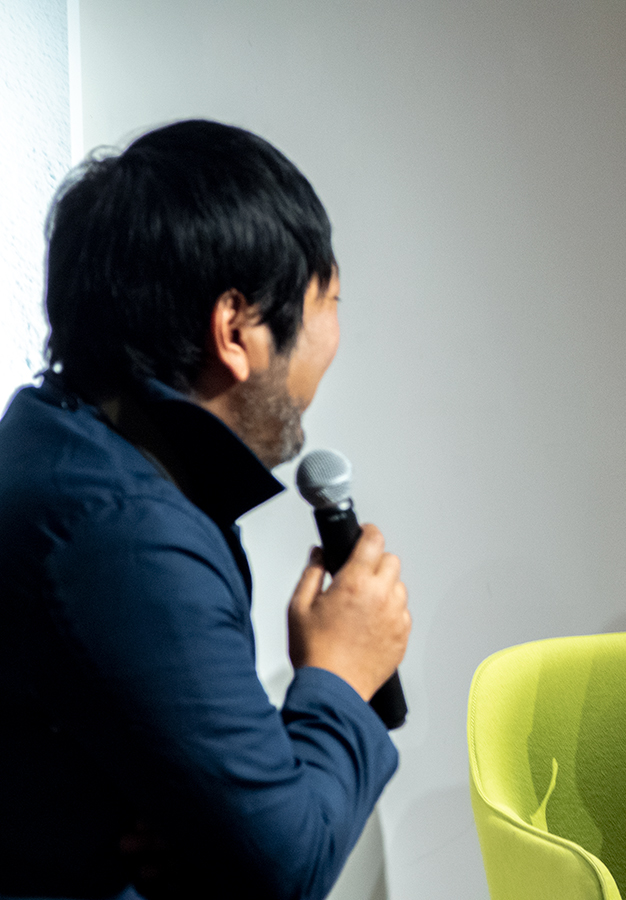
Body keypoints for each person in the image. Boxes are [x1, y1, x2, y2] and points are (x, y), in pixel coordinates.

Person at [0, 120, 411, 899]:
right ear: (235, 329)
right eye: (328, 302)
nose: (333, 337)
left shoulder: (60, 437)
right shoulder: (122, 534)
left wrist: (206, 819)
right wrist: (340, 676)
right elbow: (286, 867)